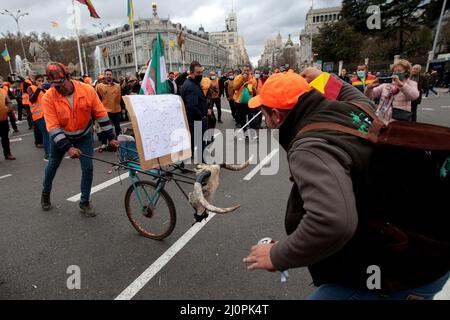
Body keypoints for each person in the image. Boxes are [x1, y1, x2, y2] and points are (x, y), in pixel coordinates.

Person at [242, 69, 449, 300]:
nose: (264, 118)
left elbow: (331, 222)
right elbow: (349, 91)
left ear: (276, 115)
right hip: (426, 248)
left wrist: (277, 255)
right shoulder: (358, 108)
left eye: (264, 112)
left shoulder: (310, 146)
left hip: (403, 271)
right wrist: (323, 75)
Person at [41, 62, 118, 217]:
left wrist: (111, 137)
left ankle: (84, 201)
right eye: (55, 85)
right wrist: (68, 148)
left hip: (83, 135)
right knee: (53, 165)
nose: (58, 88)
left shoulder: (87, 90)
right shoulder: (49, 97)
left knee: (88, 168)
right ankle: (45, 193)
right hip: (61, 137)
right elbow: (53, 128)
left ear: (68, 77)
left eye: (61, 84)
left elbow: (101, 114)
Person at [365, 59, 419, 124]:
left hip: (399, 119)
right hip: (382, 118)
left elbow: (414, 96)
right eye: (394, 71)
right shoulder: (387, 83)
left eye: (399, 71)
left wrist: (402, 85)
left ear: (406, 72)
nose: (396, 73)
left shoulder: (411, 83)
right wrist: (369, 88)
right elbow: (370, 96)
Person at [181, 61, 211, 161]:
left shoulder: (193, 83)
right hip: (196, 120)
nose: (200, 75)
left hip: (195, 119)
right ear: (191, 73)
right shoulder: (190, 86)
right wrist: (202, 115)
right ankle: (203, 165)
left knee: (195, 142)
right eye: (198, 73)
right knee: (199, 143)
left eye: (201, 72)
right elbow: (192, 106)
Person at [96, 69, 122, 150]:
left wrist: (123, 108)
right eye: (107, 74)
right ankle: (104, 143)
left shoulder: (117, 86)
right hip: (105, 111)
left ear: (112, 75)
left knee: (118, 127)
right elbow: (96, 99)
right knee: (105, 128)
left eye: (110, 74)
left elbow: (121, 97)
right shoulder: (99, 86)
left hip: (116, 110)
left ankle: (119, 142)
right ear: (105, 75)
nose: (108, 76)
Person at [28, 75, 50, 160]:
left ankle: (51, 152)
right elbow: (32, 99)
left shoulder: (44, 89)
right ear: (35, 81)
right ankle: (47, 154)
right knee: (46, 134)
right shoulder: (31, 88)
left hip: (46, 115)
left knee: (50, 134)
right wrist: (38, 89)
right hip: (38, 116)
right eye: (39, 81)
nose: (41, 82)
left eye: (42, 81)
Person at [233, 65, 257, 140]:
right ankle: (245, 134)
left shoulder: (253, 79)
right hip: (239, 102)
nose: (246, 72)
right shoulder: (238, 77)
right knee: (242, 119)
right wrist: (242, 79)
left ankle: (253, 135)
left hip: (249, 102)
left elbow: (254, 91)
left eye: (247, 70)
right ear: (242, 70)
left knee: (251, 118)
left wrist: (251, 87)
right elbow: (235, 87)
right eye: (244, 70)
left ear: (250, 71)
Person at [0, 83, 16, 160]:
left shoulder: (3, 91)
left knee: (5, 138)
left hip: (3, 119)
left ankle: (7, 154)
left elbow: (9, 102)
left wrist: (7, 110)